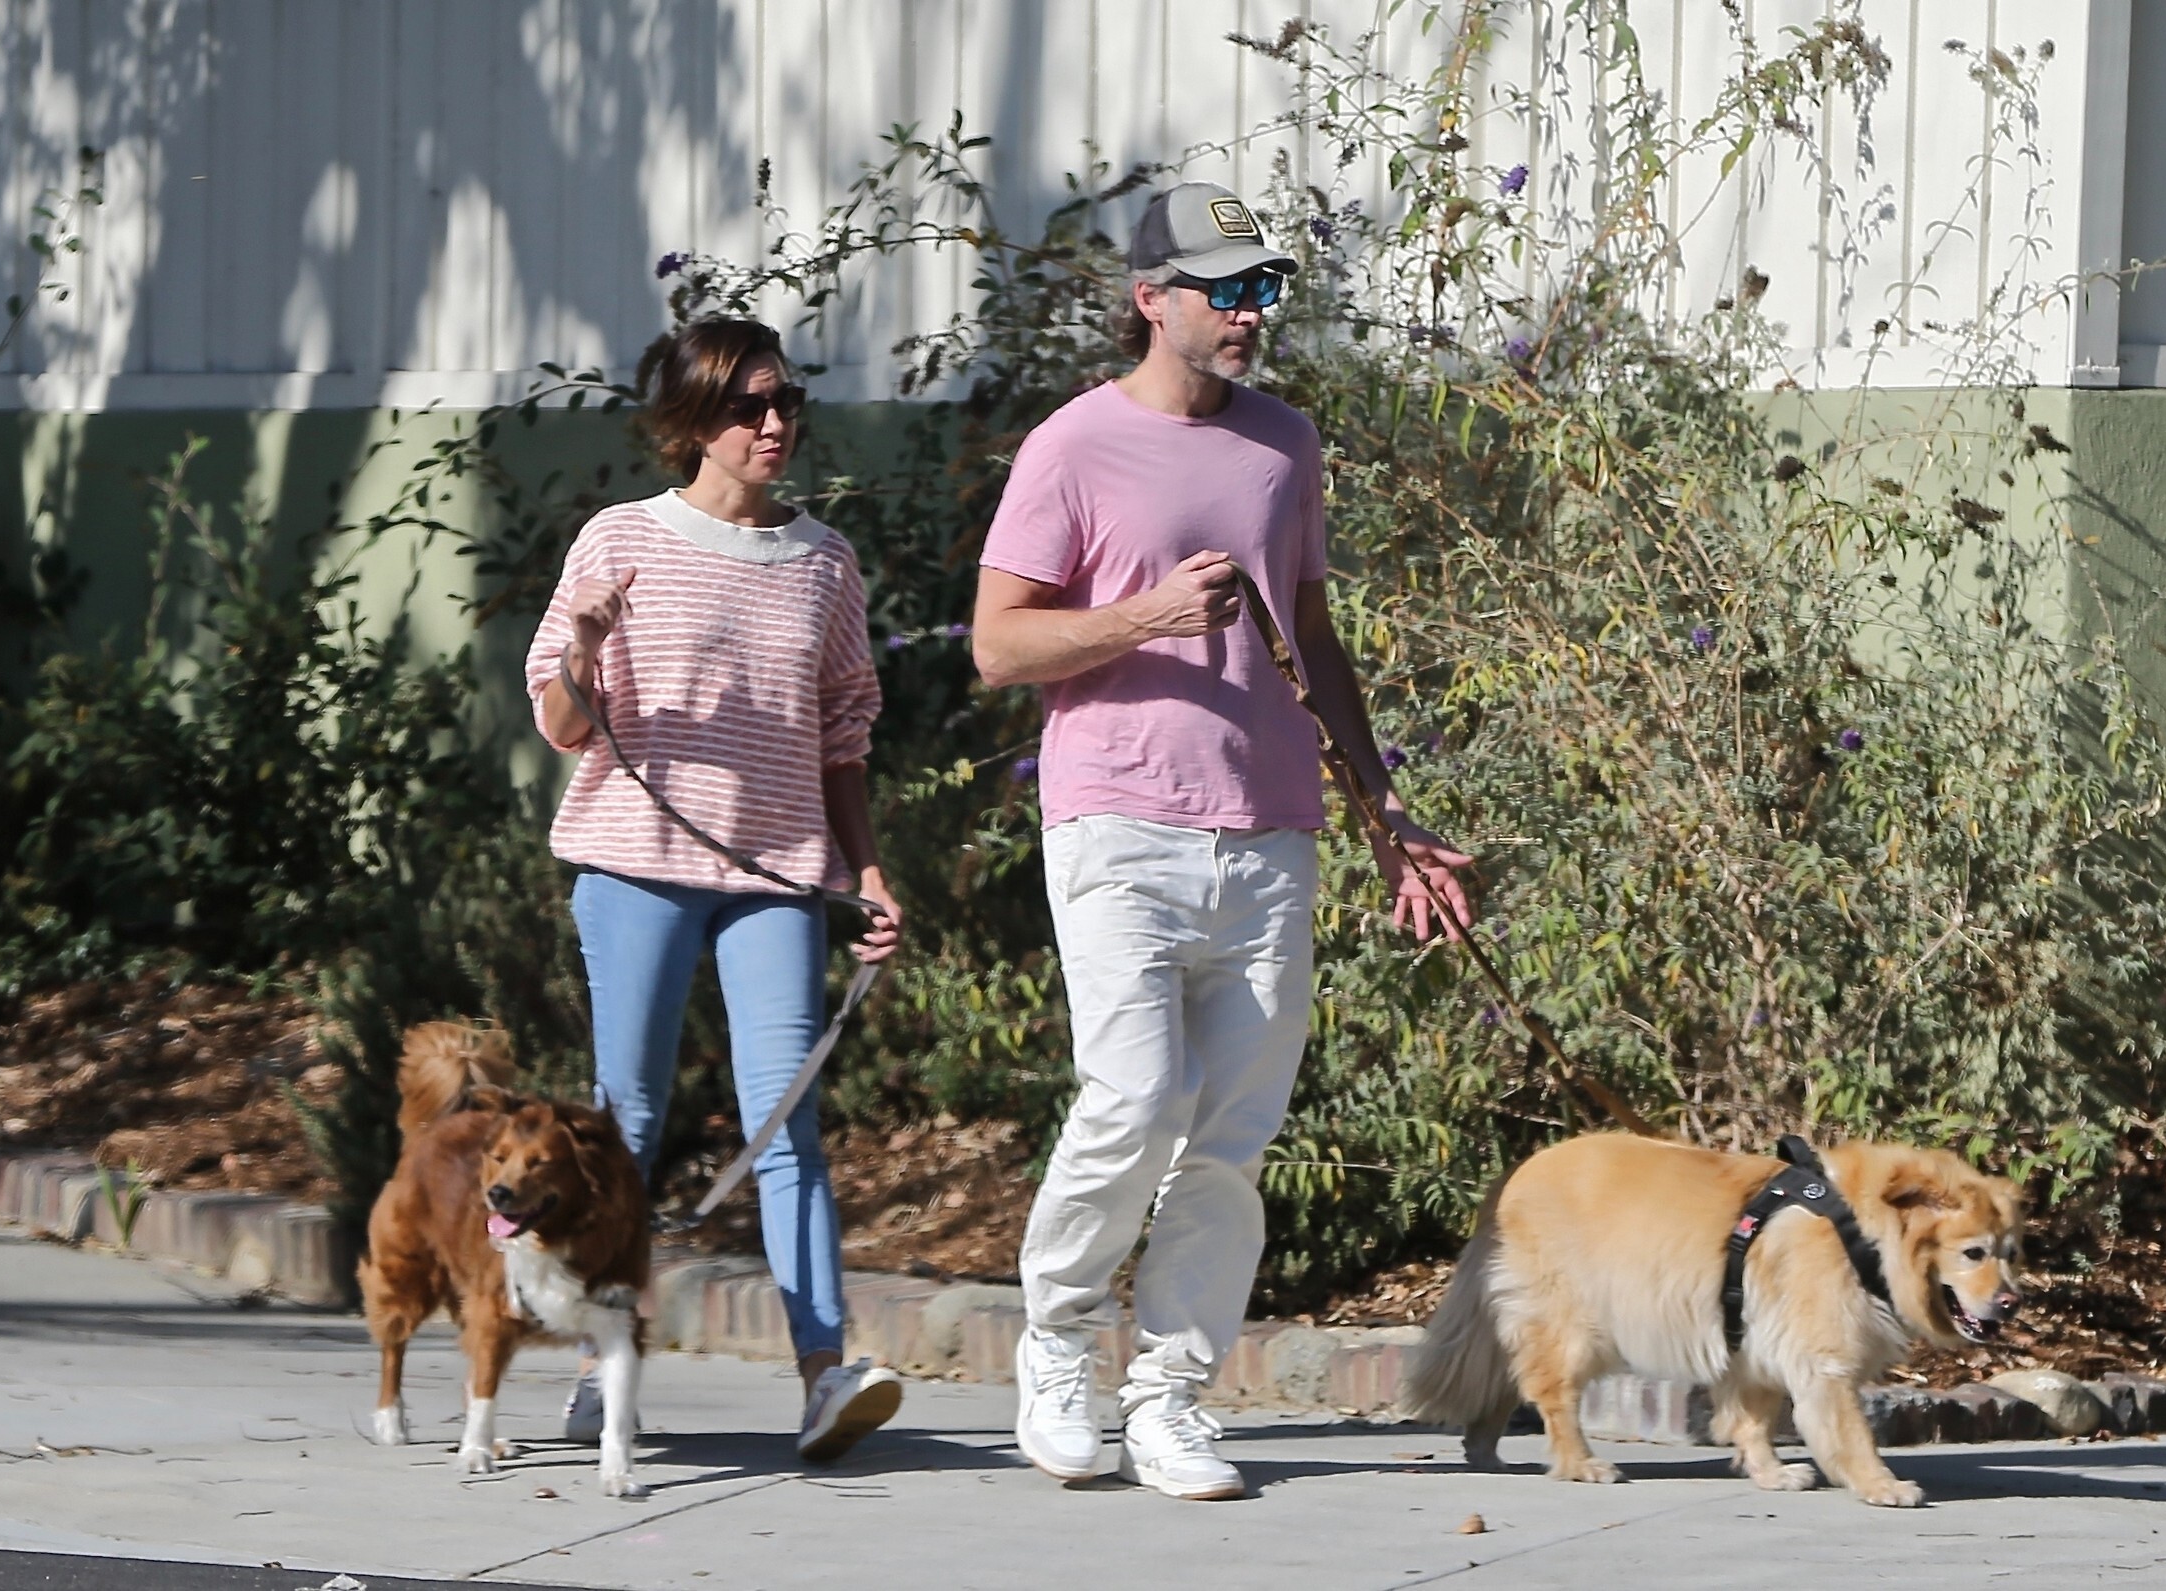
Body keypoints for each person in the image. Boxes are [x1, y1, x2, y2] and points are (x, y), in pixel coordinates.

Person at [972, 182, 1476, 1501]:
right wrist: (1142, 616)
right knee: (1134, 1100)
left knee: (1232, 1134)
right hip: (1117, 820)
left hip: (1269, 830)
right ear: (1152, 299)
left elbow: (1315, 640)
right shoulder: (1073, 446)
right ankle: (1058, 1342)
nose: (1252, 311)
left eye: (1264, 288)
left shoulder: (1283, 443)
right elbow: (998, 645)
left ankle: (1172, 1398)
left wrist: (1384, 815)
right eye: (1227, 288)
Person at [523, 317, 907, 1464]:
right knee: (627, 1124)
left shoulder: (825, 562)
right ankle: (603, 1364)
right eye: (748, 406)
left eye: (787, 400)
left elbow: (844, 737)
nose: (774, 422)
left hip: (775, 878)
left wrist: (866, 872)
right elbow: (560, 725)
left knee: (787, 1124)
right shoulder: (619, 539)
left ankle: (825, 1375)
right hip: (635, 863)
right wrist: (584, 647)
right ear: (692, 421)